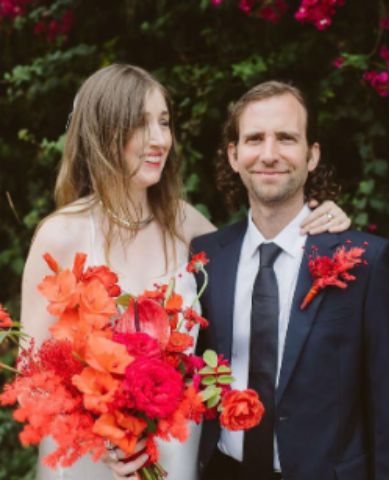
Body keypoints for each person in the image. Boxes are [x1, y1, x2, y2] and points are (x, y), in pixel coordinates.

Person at [20, 65, 351, 480]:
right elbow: (32, 379)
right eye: (141, 125)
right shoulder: (61, 236)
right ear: (103, 132)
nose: (160, 140)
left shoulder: (190, 229)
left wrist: (321, 219)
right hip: (92, 462)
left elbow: (265, 274)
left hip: (175, 458)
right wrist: (99, 435)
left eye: (164, 122)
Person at [192, 81, 389, 480]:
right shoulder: (205, 258)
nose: (270, 154)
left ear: (312, 155)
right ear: (234, 155)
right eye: (255, 138)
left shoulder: (366, 262)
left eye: (286, 138)